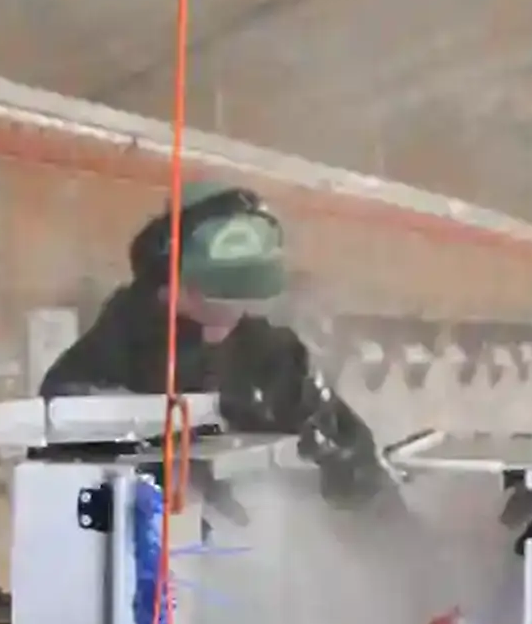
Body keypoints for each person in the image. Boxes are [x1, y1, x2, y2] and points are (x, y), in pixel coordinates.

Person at [39, 182, 393, 506]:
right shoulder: (119, 345)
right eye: (218, 297)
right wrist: (200, 429)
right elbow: (63, 425)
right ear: (175, 281)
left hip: (257, 556)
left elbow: (356, 458)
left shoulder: (273, 357)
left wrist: (346, 470)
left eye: (242, 299)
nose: (232, 312)